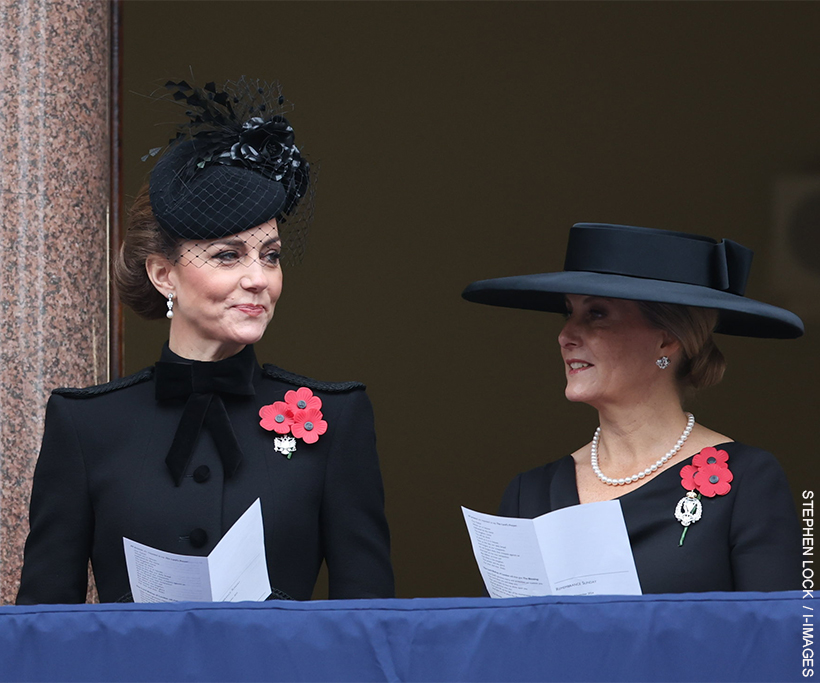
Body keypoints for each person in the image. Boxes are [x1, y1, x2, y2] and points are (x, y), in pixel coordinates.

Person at [17, 78, 394, 604]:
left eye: (270, 255)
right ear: (163, 274)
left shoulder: (337, 419)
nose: (259, 278)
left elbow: (371, 623)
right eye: (227, 255)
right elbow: (43, 629)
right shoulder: (86, 426)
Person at [462, 223, 803, 593]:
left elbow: (776, 639)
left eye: (596, 314)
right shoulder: (528, 493)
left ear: (667, 340)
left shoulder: (748, 480)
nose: (565, 336)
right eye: (568, 312)